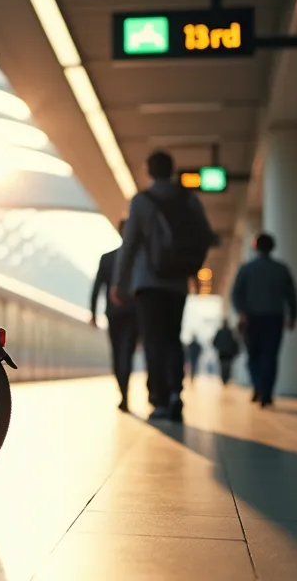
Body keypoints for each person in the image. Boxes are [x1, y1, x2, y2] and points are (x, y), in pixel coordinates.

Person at [110, 150, 215, 422]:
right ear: (172, 169)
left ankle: (158, 398)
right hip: (177, 283)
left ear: (148, 171)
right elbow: (205, 236)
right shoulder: (188, 199)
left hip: (148, 283)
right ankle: (174, 394)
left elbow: (129, 244)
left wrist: (119, 283)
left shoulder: (142, 201)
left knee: (153, 341)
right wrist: (191, 269)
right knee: (172, 338)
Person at [231, 233, 297, 407]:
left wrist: (242, 312)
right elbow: (291, 296)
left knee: (254, 355)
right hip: (275, 317)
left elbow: (236, 294)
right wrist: (293, 316)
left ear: (255, 246)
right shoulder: (281, 269)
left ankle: (259, 387)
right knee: (270, 355)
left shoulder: (246, 269)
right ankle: (265, 391)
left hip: (252, 318)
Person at [90, 219, 138, 411]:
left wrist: (93, 313)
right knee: (127, 353)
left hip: (114, 313)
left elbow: (97, 288)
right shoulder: (137, 259)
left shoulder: (107, 258)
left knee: (118, 354)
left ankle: (123, 394)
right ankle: (125, 393)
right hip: (133, 314)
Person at [212, 320, 239, 384]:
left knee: (223, 366)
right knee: (227, 366)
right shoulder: (230, 332)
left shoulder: (220, 332)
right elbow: (234, 342)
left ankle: (224, 378)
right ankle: (226, 378)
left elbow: (214, 342)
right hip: (229, 353)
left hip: (222, 352)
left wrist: (218, 347)